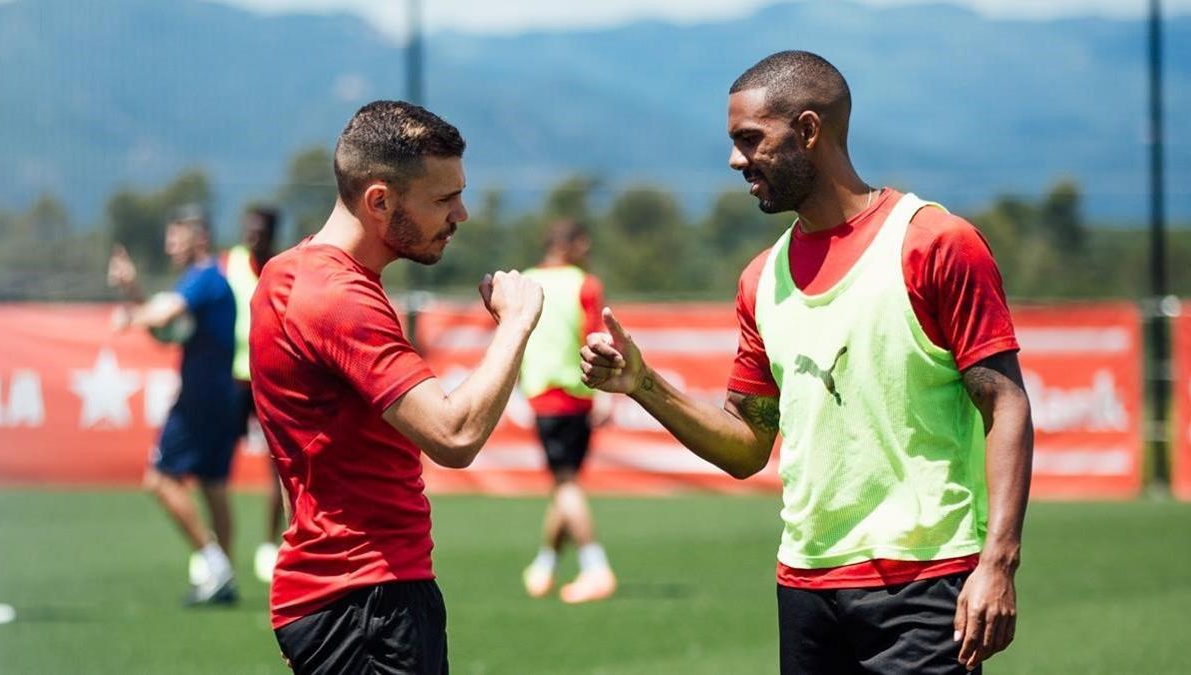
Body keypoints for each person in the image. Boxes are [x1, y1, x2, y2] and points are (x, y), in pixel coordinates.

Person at [581, 51, 1034, 674]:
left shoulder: (934, 242)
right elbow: (746, 448)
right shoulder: (761, 278)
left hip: (927, 585)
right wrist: (642, 383)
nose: (736, 161)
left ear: (809, 131)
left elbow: (1006, 403)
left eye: (749, 140)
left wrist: (998, 562)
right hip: (805, 587)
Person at [249, 100, 543, 674]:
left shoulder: (287, 274)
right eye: (442, 199)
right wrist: (516, 325)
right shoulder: (339, 299)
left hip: (341, 596)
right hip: (369, 601)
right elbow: (454, 436)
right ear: (379, 200)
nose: (461, 214)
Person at [108, 205, 239, 606]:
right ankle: (225, 577)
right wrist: (134, 292)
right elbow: (166, 331)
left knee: (159, 479)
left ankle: (215, 564)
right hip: (223, 395)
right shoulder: (203, 281)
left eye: (176, 237)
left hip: (200, 399)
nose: (169, 246)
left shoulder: (204, 279)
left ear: (199, 238)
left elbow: (164, 315)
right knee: (213, 485)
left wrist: (130, 314)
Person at [519, 219, 615, 604]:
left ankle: (595, 567)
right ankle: (545, 566)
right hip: (580, 393)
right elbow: (597, 337)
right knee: (567, 483)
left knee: (565, 484)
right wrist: (606, 394)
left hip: (544, 394)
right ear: (569, 245)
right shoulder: (584, 283)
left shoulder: (524, 282)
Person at [220, 205, 283, 583]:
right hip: (230, 380)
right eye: (248, 228)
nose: (252, 235)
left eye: (259, 230)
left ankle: (269, 545)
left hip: (269, 379)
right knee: (216, 467)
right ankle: (218, 548)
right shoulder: (228, 264)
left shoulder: (283, 266)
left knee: (279, 466)